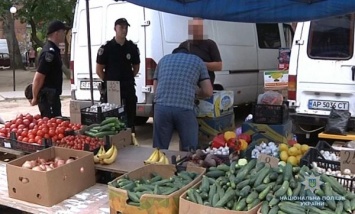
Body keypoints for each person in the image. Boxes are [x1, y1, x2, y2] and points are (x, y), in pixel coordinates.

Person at [152, 47, 213, 151]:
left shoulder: (163, 60)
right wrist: (197, 92)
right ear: (188, 54)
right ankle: (185, 166)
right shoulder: (197, 60)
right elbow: (208, 91)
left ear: (173, 54)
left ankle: (158, 166)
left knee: (159, 149)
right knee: (189, 150)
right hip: (184, 109)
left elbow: (155, 89)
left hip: (162, 108)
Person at [96, 18, 140, 136]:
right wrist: (109, 80)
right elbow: (99, 70)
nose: (124, 30)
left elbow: (136, 67)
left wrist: (128, 78)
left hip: (127, 85)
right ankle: (113, 140)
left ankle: (130, 137)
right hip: (112, 87)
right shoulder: (107, 48)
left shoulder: (132, 47)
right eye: (121, 27)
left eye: (126, 28)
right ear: (115, 28)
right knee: (112, 116)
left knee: (130, 115)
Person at [30, 20, 68, 118]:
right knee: (51, 124)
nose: (65, 34)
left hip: (53, 96)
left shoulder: (54, 50)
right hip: (48, 97)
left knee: (57, 123)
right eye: (63, 31)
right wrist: (34, 97)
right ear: (56, 33)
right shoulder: (49, 53)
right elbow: (39, 77)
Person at [179, 17, 222, 86]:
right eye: (194, 28)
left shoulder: (210, 44)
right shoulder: (184, 45)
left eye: (199, 28)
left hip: (205, 85)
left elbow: (219, 66)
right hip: (188, 84)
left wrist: (199, 63)